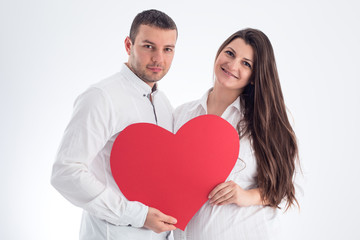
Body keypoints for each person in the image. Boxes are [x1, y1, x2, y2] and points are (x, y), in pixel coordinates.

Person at [51, 9, 178, 240]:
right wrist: (137, 215)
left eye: (167, 49)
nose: (159, 58)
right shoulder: (101, 97)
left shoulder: (164, 103)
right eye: (149, 46)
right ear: (129, 45)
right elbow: (66, 172)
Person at [173, 28, 301, 239]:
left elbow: (282, 188)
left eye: (246, 63)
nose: (232, 65)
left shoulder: (263, 121)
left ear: (254, 77)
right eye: (230, 53)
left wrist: (245, 195)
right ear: (219, 53)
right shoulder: (181, 115)